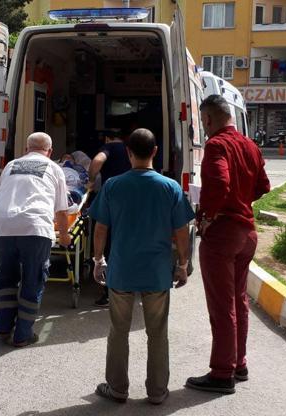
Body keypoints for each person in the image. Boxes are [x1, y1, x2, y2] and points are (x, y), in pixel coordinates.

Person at [89, 128, 194, 405]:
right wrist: (183, 264)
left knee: (118, 331)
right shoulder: (169, 187)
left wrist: (99, 260)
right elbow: (181, 232)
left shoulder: (113, 185)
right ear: (155, 151)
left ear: (128, 152)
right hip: (157, 272)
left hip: (121, 270)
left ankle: (117, 388)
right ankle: (157, 392)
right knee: (157, 334)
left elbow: (100, 228)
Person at [185, 95, 270, 394]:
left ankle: (222, 373)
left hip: (223, 234)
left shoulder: (217, 145)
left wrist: (208, 215)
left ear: (208, 119)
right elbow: (263, 186)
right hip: (247, 233)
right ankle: (238, 363)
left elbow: (219, 183)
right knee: (238, 302)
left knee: (222, 307)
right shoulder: (251, 145)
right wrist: (240, 202)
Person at [0, 132, 71, 347]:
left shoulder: (11, 166)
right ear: (50, 152)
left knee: (6, 279)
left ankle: (4, 328)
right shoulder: (54, 168)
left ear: (26, 149)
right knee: (32, 280)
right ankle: (23, 334)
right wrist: (64, 235)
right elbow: (62, 210)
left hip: (1, 227)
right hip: (35, 228)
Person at [87, 128, 132, 307]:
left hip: (112, 199)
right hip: (131, 198)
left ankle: (107, 291)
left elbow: (97, 161)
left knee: (108, 243)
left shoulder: (109, 148)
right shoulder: (130, 148)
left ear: (108, 138)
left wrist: (91, 178)